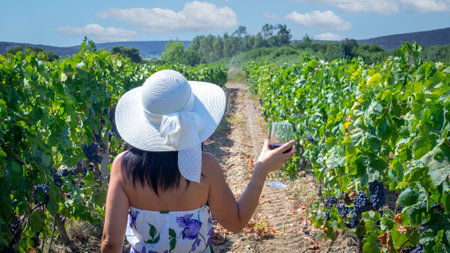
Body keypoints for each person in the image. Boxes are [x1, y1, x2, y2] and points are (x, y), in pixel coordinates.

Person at [101, 70, 295, 253]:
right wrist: (261, 169)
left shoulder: (123, 167)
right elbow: (236, 222)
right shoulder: (205, 166)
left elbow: (110, 243)